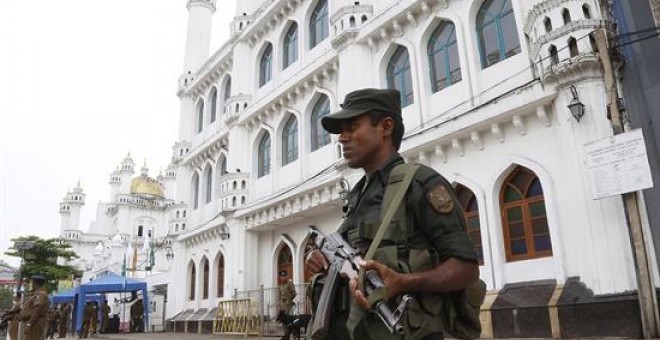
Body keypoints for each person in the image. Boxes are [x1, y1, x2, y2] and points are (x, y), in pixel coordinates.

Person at [304, 88, 479, 340]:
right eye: (341, 130)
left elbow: (466, 268)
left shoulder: (420, 183)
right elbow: (340, 249)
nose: (342, 138)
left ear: (385, 127)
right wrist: (317, 256)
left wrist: (406, 281)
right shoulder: (358, 194)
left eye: (352, 127)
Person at [18, 275, 50, 340]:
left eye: (31, 282)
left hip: (35, 323)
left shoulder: (41, 295)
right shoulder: (37, 294)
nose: (31, 284)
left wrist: (29, 324)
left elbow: (37, 310)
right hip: (34, 322)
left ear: (34, 283)